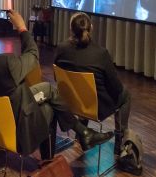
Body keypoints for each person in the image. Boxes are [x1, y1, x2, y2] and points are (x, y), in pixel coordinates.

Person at [0, 11, 113, 157]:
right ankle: (50, 159)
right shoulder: (5, 64)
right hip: (17, 125)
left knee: (48, 89)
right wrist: (22, 28)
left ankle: (83, 132)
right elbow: (32, 55)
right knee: (49, 108)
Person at [53, 12, 132, 155]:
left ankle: (81, 134)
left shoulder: (61, 48)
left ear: (71, 29)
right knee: (125, 95)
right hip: (95, 108)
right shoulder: (101, 53)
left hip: (70, 103)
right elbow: (116, 87)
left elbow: (57, 77)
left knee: (82, 92)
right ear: (91, 28)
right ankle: (120, 142)